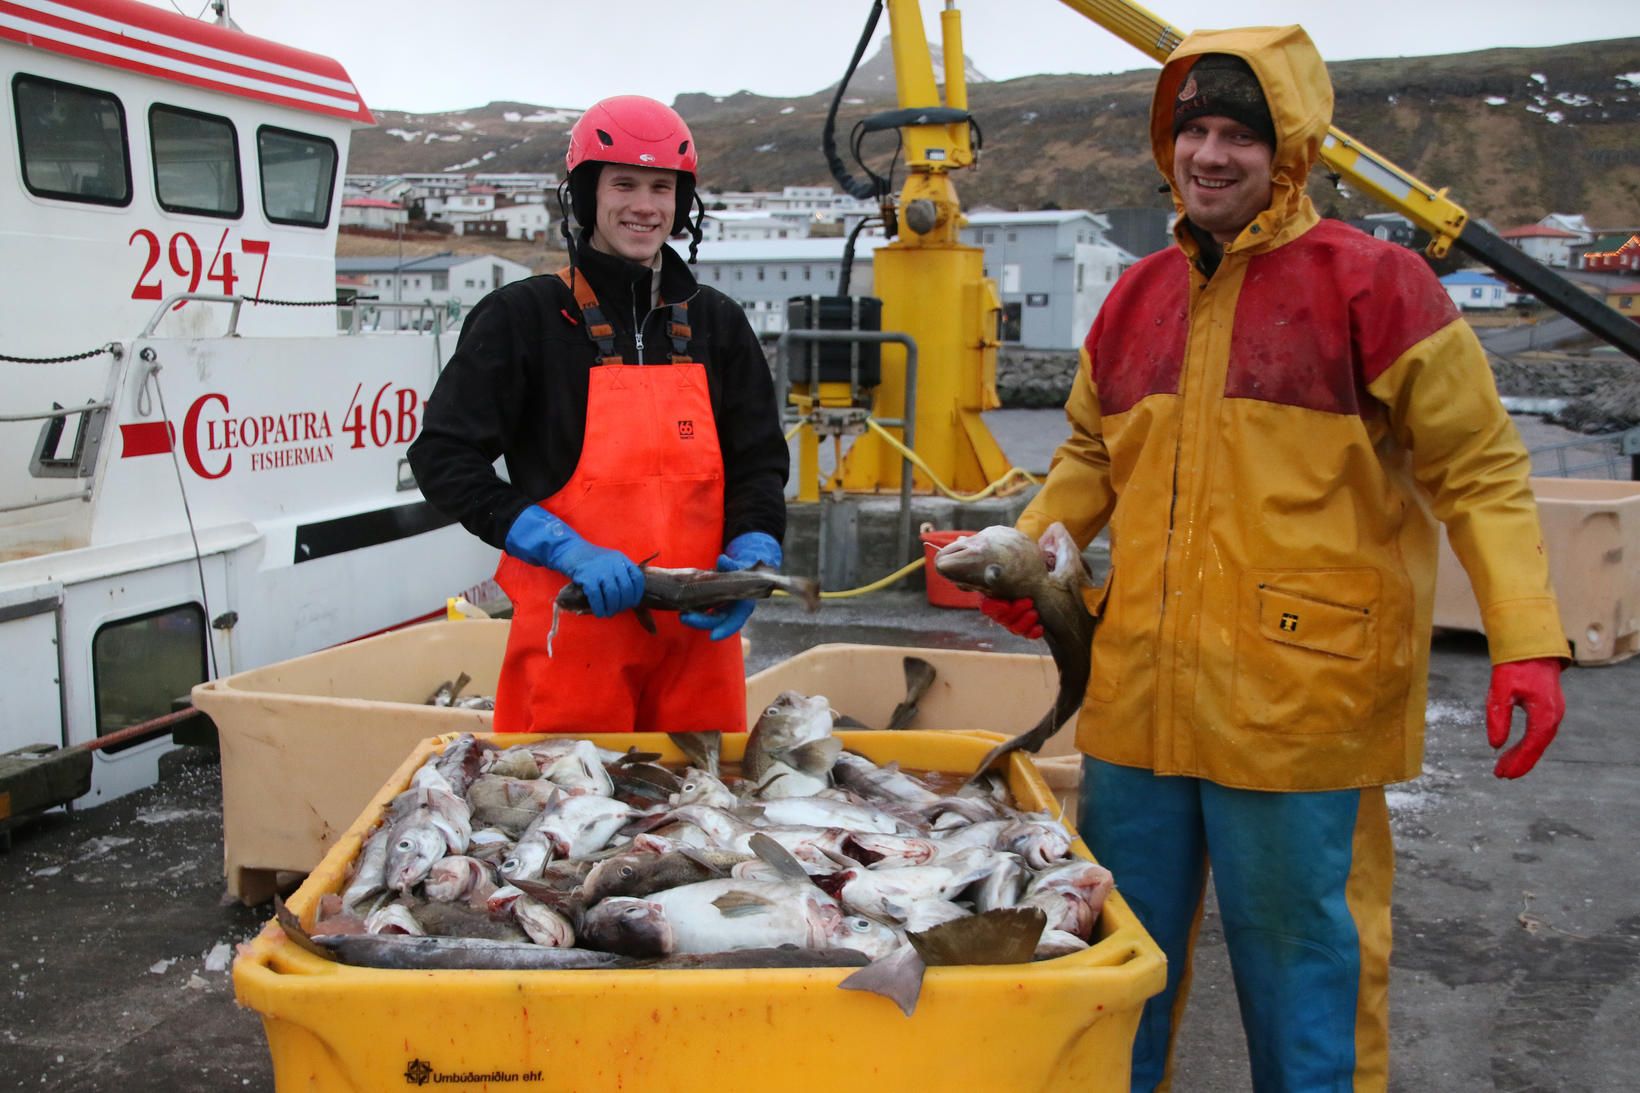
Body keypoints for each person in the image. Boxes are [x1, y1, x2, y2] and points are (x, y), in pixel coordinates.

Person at [979, 27, 1568, 1093]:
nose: (1208, 154)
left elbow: (1478, 473)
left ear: (1287, 151)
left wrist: (1526, 640)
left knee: (1308, 986)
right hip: (1137, 705)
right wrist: (1024, 555)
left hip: (1303, 714)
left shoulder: (1375, 286)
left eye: (1236, 136)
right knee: (1110, 978)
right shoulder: (1131, 299)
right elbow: (1084, 454)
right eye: (1190, 129)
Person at [408, 95, 788, 736]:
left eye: (662, 187)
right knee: (563, 821)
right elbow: (442, 457)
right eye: (624, 184)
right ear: (584, 196)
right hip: (572, 634)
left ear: (682, 201)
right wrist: (562, 547)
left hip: (698, 645)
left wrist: (755, 547)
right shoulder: (522, 318)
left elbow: (758, 461)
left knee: (706, 818)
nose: (645, 205)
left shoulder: (718, 322)